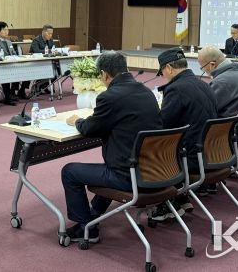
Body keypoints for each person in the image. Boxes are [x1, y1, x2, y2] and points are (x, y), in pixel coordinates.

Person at [61, 52, 162, 242]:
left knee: (70, 171)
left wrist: (77, 121)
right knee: (107, 167)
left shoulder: (110, 97)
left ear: (104, 74)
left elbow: (90, 129)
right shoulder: (145, 91)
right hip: (155, 169)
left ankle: (86, 228)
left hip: (128, 175)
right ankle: (93, 215)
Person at [154, 47, 218, 220]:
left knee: (148, 150)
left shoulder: (176, 89)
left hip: (190, 157)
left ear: (168, 68)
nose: (164, 76)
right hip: (211, 153)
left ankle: (167, 204)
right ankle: (181, 196)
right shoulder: (203, 84)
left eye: (162, 72)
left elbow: (163, 126)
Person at [197, 46, 238, 118]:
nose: (204, 71)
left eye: (202, 68)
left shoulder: (220, 82)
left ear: (212, 64)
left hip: (227, 124)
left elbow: (203, 111)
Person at [0, 21, 19, 105]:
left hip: (11, 65)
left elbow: (14, 53)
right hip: (0, 67)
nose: (7, 32)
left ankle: (12, 93)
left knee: (20, 71)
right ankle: (7, 97)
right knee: (6, 74)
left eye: (7, 30)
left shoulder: (9, 42)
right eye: (4, 30)